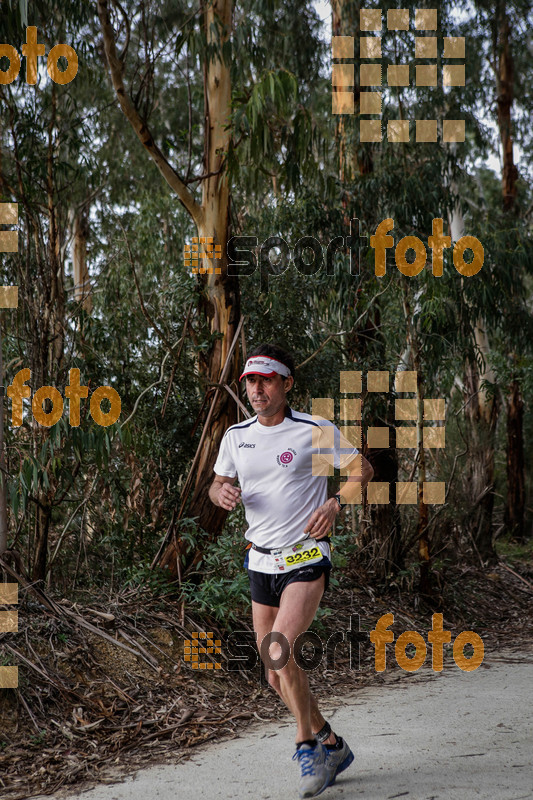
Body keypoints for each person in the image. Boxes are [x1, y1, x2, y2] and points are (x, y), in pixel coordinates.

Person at [209, 343, 373, 798]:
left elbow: (363, 468)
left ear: (286, 384)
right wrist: (218, 493)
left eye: (266, 380)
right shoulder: (236, 435)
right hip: (260, 559)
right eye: (251, 382)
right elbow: (218, 483)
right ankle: (332, 743)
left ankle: (306, 747)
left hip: (305, 554)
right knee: (272, 671)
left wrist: (336, 503)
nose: (257, 389)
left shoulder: (313, 430)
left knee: (281, 650)